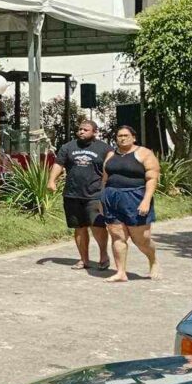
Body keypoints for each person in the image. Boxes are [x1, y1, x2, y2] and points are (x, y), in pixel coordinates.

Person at [48, 119, 112, 271]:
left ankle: (103, 256)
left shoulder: (104, 148)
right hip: (72, 194)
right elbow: (59, 164)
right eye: (80, 129)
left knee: (97, 226)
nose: (81, 132)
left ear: (94, 132)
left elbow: (109, 169)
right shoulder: (68, 147)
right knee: (79, 228)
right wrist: (51, 181)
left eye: (86, 130)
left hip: (95, 194)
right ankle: (84, 260)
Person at [102, 125, 161, 283]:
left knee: (141, 239)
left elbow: (152, 178)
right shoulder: (110, 155)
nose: (122, 138)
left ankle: (153, 261)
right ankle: (121, 272)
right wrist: (101, 199)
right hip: (112, 197)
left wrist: (146, 201)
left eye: (126, 135)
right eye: (119, 136)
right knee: (117, 236)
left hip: (135, 197)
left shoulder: (144, 153)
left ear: (133, 137)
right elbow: (105, 179)